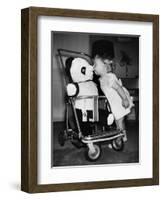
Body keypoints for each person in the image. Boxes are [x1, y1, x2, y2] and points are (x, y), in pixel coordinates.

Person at [93, 50, 134, 142]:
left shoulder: (109, 77)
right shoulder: (101, 79)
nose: (93, 67)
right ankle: (123, 136)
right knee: (118, 121)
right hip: (114, 104)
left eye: (95, 64)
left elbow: (118, 88)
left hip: (120, 102)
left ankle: (119, 140)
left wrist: (124, 99)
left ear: (105, 66)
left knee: (119, 122)